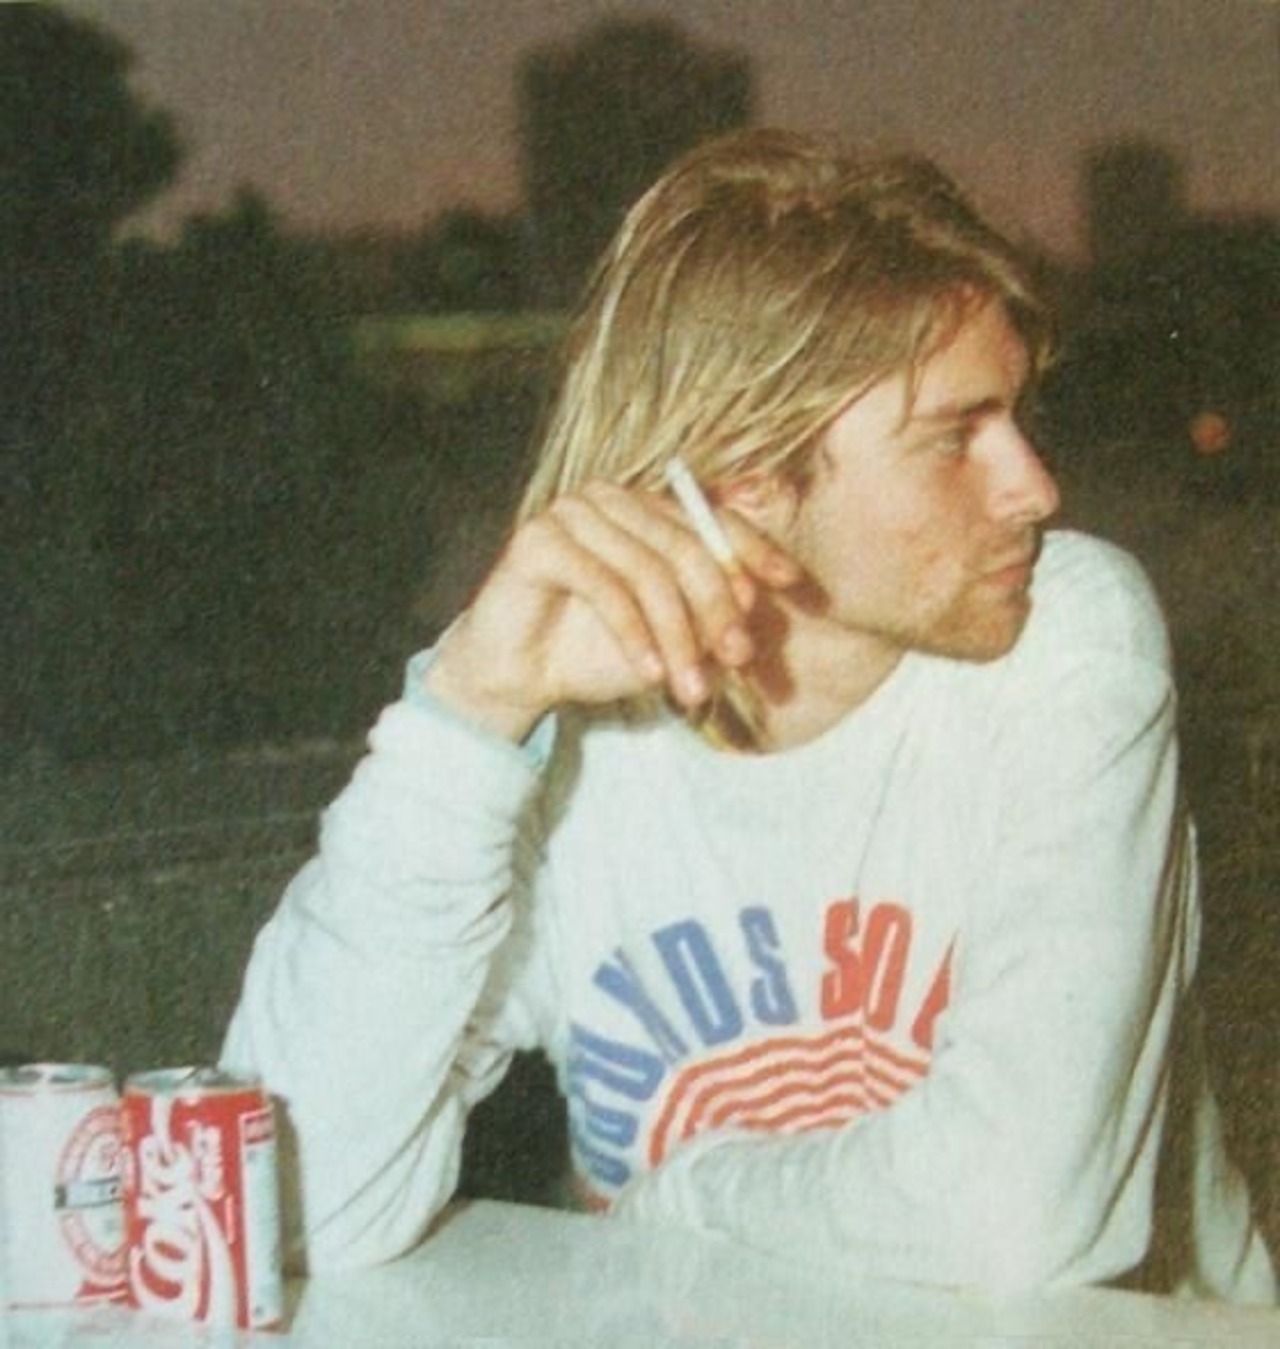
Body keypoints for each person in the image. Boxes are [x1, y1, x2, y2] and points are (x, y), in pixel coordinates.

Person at [222, 129, 1275, 1301]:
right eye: (953, 437)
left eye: (1017, 416)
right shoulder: (561, 740)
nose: (1033, 485)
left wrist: (685, 1193)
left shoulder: (1064, 635)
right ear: (748, 480)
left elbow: (1013, 1219)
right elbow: (298, 1206)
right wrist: (466, 721)